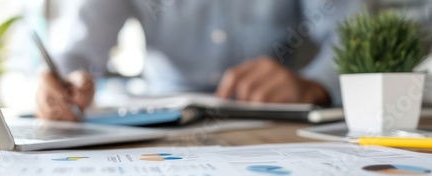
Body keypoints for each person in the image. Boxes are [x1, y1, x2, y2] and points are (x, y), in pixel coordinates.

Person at [36, 0, 362, 121]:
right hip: (158, 122)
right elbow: (78, 51)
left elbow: (355, 35)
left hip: (272, 119)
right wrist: (62, 81)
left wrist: (314, 84)